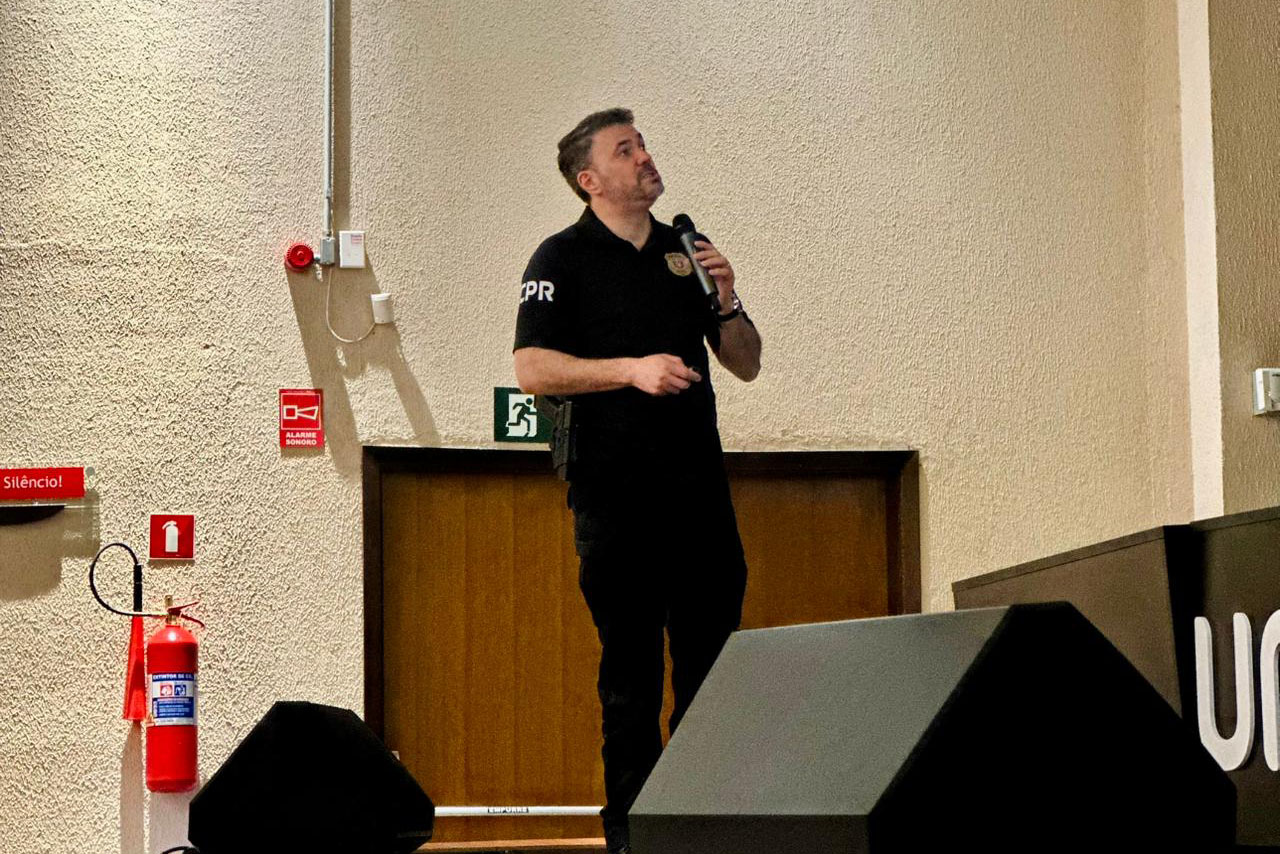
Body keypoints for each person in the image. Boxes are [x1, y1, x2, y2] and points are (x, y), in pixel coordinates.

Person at [512, 107, 762, 854]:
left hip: (699, 499)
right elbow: (532, 369)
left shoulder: (685, 252)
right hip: (616, 500)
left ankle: (700, 822)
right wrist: (632, 370)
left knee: (712, 671)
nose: (646, 157)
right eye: (626, 150)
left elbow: (746, 363)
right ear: (590, 179)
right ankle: (632, 832)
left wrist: (727, 298)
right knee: (631, 678)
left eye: (644, 144)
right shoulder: (561, 258)